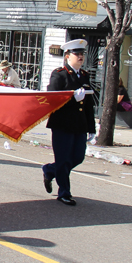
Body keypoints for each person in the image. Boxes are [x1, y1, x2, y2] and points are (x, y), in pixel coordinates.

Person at [41, 39, 95, 206]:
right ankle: (64, 192)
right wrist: (72, 98)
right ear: (67, 56)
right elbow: (52, 99)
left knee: (78, 157)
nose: (80, 57)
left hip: (79, 125)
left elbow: (89, 105)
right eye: (76, 54)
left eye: (82, 54)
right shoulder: (60, 74)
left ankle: (50, 169)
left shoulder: (85, 76)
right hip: (62, 124)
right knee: (64, 159)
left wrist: (92, 127)